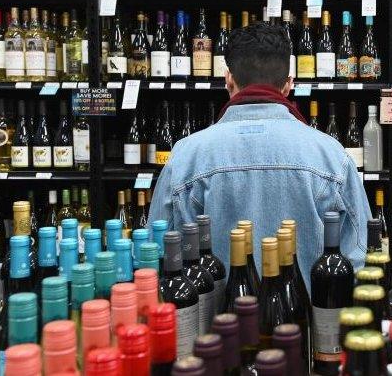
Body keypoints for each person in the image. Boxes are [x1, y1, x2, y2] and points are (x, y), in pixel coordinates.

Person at [147, 21, 370, 286]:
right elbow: (360, 261)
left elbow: (156, 256)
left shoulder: (185, 157)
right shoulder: (332, 156)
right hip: (309, 324)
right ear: (289, 85)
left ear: (228, 79)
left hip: (211, 325)